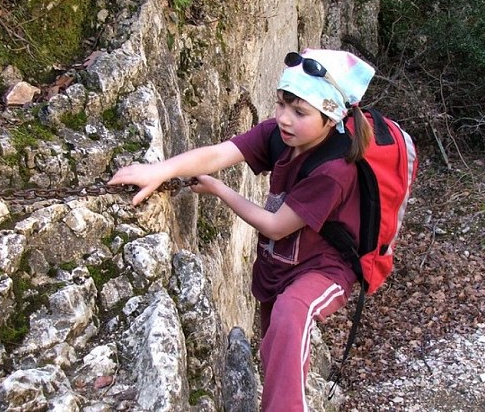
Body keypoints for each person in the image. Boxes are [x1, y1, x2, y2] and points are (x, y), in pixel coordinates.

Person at [108, 48, 376, 411]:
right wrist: (160, 170)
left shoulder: (333, 170)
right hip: (280, 263)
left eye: (300, 112)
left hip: (326, 268)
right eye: (282, 104)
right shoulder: (281, 136)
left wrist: (220, 189)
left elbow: (276, 226)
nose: (284, 118)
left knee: (290, 314)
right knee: (277, 346)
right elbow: (220, 154)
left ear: (331, 118)